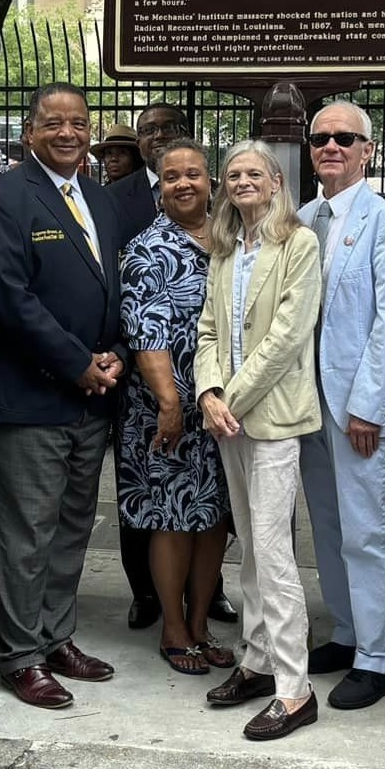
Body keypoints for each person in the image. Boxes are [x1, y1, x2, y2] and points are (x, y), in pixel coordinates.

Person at [0, 83, 126, 709]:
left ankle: (56, 635)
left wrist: (110, 351)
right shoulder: (3, 197)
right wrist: (75, 363)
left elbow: (112, 281)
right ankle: (20, 655)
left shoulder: (99, 197)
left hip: (94, 395)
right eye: (53, 123)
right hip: (32, 396)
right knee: (26, 532)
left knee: (71, 526)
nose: (68, 133)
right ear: (29, 131)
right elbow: (7, 296)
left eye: (79, 123)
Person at [197, 140, 323, 740]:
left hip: (271, 419)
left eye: (254, 173)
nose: (242, 181)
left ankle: (295, 690)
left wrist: (232, 401)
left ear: (276, 182)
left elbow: (288, 337)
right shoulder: (225, 252)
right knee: (248, 547)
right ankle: (256, 661)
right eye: (233, 174)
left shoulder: (298, 243)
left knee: (273, 553)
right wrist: (208, 395)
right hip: (227, 417)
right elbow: (207, 331)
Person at [297, 103, 385, 710]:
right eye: (320, 138)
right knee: (327, 523)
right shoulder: (300, 218)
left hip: (359, 407)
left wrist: (368, 404)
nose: (331, 147)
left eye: (345, 138)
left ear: (369, 149)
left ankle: (378, 656)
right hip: (306, 405)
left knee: (369, 530)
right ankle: (347, 634)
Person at [107, 102, 235, 633]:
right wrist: (169, 404)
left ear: (212, 182)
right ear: (158, 186)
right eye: (171, 177)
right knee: (172, 518)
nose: (183, 184)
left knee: (213, 522)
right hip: (169, 410)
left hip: (225, 407)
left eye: (193, 174)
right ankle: (174, 631)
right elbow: (145, 333)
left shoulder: (233, 242)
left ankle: (202, 622)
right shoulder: (148, 249)